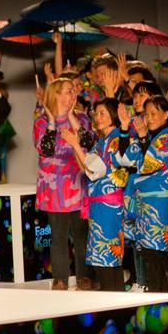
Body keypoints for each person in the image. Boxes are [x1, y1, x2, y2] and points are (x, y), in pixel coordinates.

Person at [34, 78, 96, 290]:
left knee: (81, 235)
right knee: (58, 236)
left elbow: (88, 143)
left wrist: (71, 116)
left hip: (78, 184)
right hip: (53, 189)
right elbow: (46, 149)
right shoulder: (41, 122)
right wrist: (53, 120)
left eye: (73, 91)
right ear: (56, 95)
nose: (73, 94)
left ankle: (83, 276)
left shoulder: (82, 119)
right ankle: (60, 278)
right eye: (69, 91)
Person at [64, 98, 130, 292]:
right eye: (96, 113)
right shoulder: (103, 140)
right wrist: (75, 145)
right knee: (105, 261)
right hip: (100, 207)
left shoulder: (116, 139)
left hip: (109, 208)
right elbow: (87, 168)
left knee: (109, 260)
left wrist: (75, 144)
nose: (97, 117)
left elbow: (96, 169)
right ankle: (113, 300)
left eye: (102, 113)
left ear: (113, 116)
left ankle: (114, 301)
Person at [125, 96, 168, 293]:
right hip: (142, 201)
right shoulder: (146, 136)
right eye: (146, 114)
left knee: (155, 251)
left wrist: (142, 137)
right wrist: (126, 130)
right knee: (148, 252)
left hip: (159, 201)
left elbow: (151, 163)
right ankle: (162, 294)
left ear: (166, 114)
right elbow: (125, 159)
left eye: (154, 113)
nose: (149, 118)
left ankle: (164, 296)